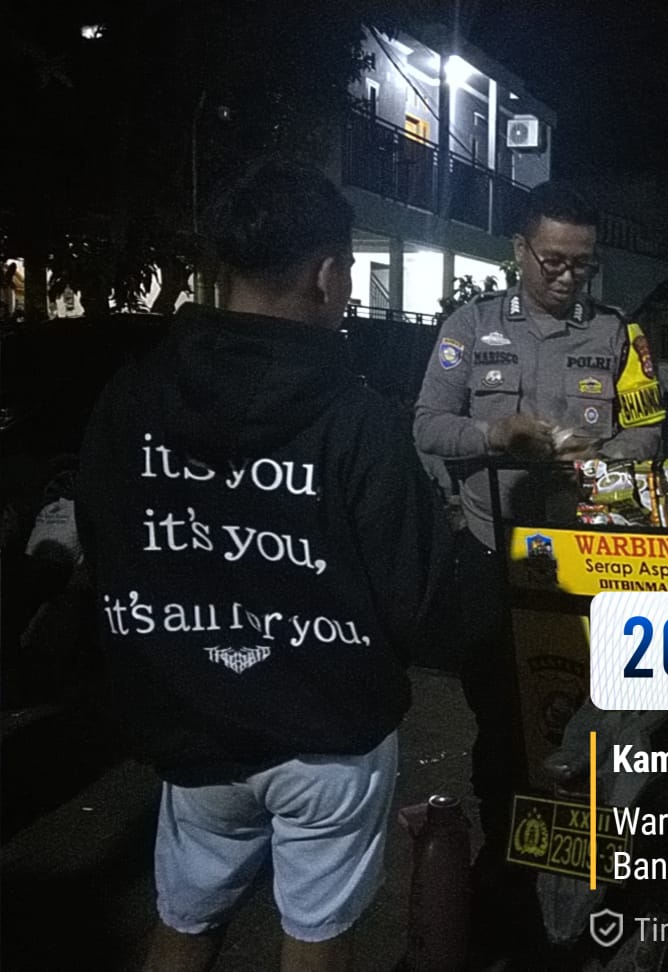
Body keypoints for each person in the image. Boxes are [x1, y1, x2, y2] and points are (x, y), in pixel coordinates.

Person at [76, 159, 448, 972]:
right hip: (328, 734)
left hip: (190, 714)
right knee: (316, 935)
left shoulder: (133, 396)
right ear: (326, 274)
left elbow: (102, 539)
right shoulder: (358, 419)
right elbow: (413, 589)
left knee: (183, 920)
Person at [412, 181, 663, 960]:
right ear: (519, 249)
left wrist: (601, 456)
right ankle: (506, 876)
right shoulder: (470, 326)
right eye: (552, 259)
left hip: (587, 569)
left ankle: (573, 884)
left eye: (581, 264)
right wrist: (496, 435)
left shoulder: (621, 334)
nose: (566, 275)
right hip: (493, 562)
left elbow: (648, 433)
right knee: (500, 726)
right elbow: (427, 425)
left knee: (577, 725)